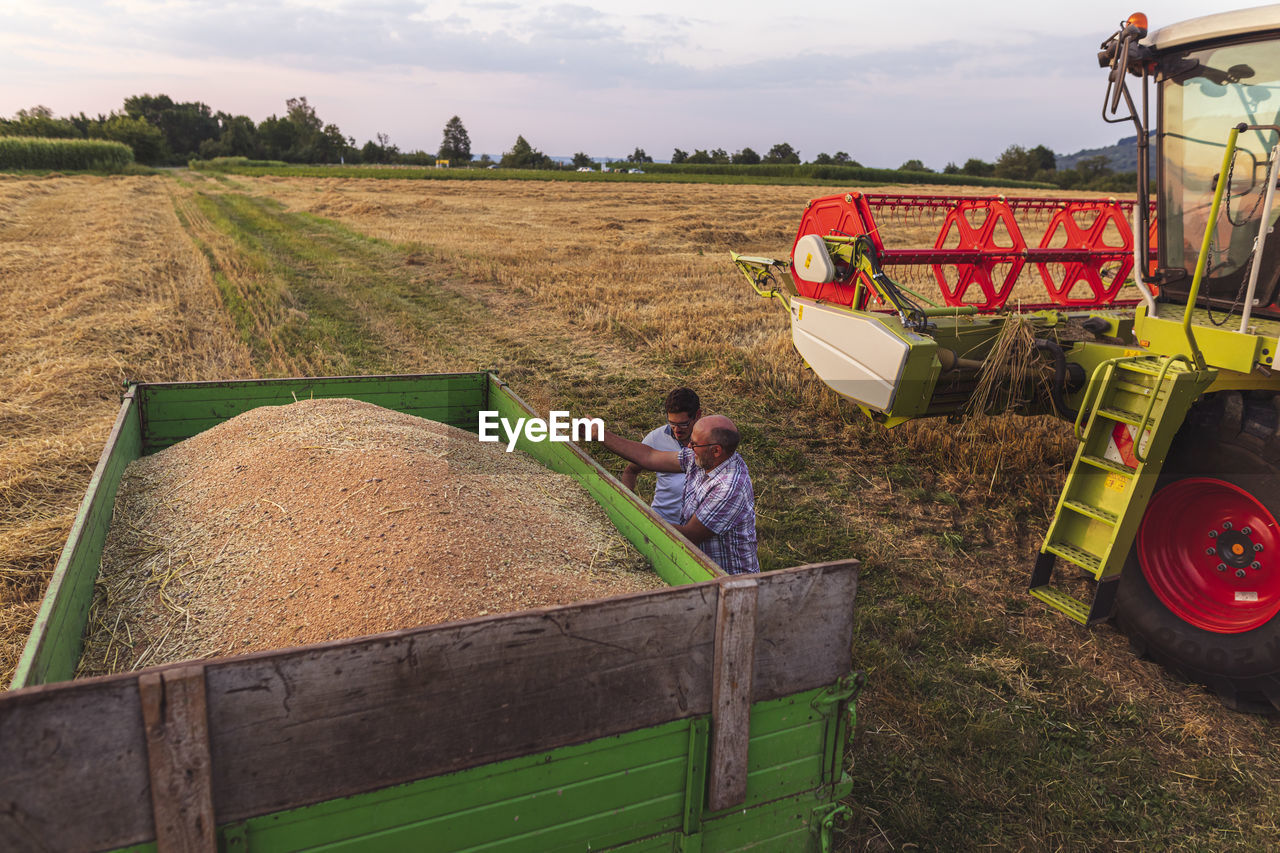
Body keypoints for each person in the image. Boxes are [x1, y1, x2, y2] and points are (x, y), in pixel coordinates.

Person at [604, 414, 759, 574]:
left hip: (728, 579)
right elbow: (649, 457)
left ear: (716, 450)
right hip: (699, 569)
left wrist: (631, 517)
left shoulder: (729, 487)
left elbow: (689, 536)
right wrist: (600, 434)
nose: (689, 447)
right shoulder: (705, 458)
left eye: (695, 444)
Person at [620, 387, 701, 525]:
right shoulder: (655, 438)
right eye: (672, 423)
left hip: (696, 528)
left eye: (683, 424)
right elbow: (631, 471)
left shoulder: (709, 441)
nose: (676, 430)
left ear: (697, 415)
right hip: (662, 521)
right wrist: (628, 506)